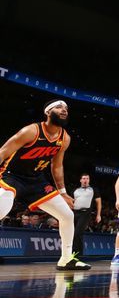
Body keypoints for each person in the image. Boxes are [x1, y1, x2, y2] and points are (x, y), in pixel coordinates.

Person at [0, 100, 90, 270]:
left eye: (66, 109)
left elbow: (56, 166)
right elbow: (3, 152)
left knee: (67, 215)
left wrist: (62, 192)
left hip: (36, 181)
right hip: (12, 176)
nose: (63, 110)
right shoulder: (31, 131)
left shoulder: (65, 138)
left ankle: (66, 259)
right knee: (2, 207)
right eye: (59, 107)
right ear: (48, 112)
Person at [72, 173, 102, 257]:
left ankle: (77, 255)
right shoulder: (75, 190)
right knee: (73, 233)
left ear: (89, 180)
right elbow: (71, 201)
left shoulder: (94, 189)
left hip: (85, 213)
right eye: (84, 178)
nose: (85, 180)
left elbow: (99, 203)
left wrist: (98, 215)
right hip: (75, 213)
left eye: (87, 178)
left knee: (78, 233)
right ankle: (73, 253)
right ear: (80, 180)